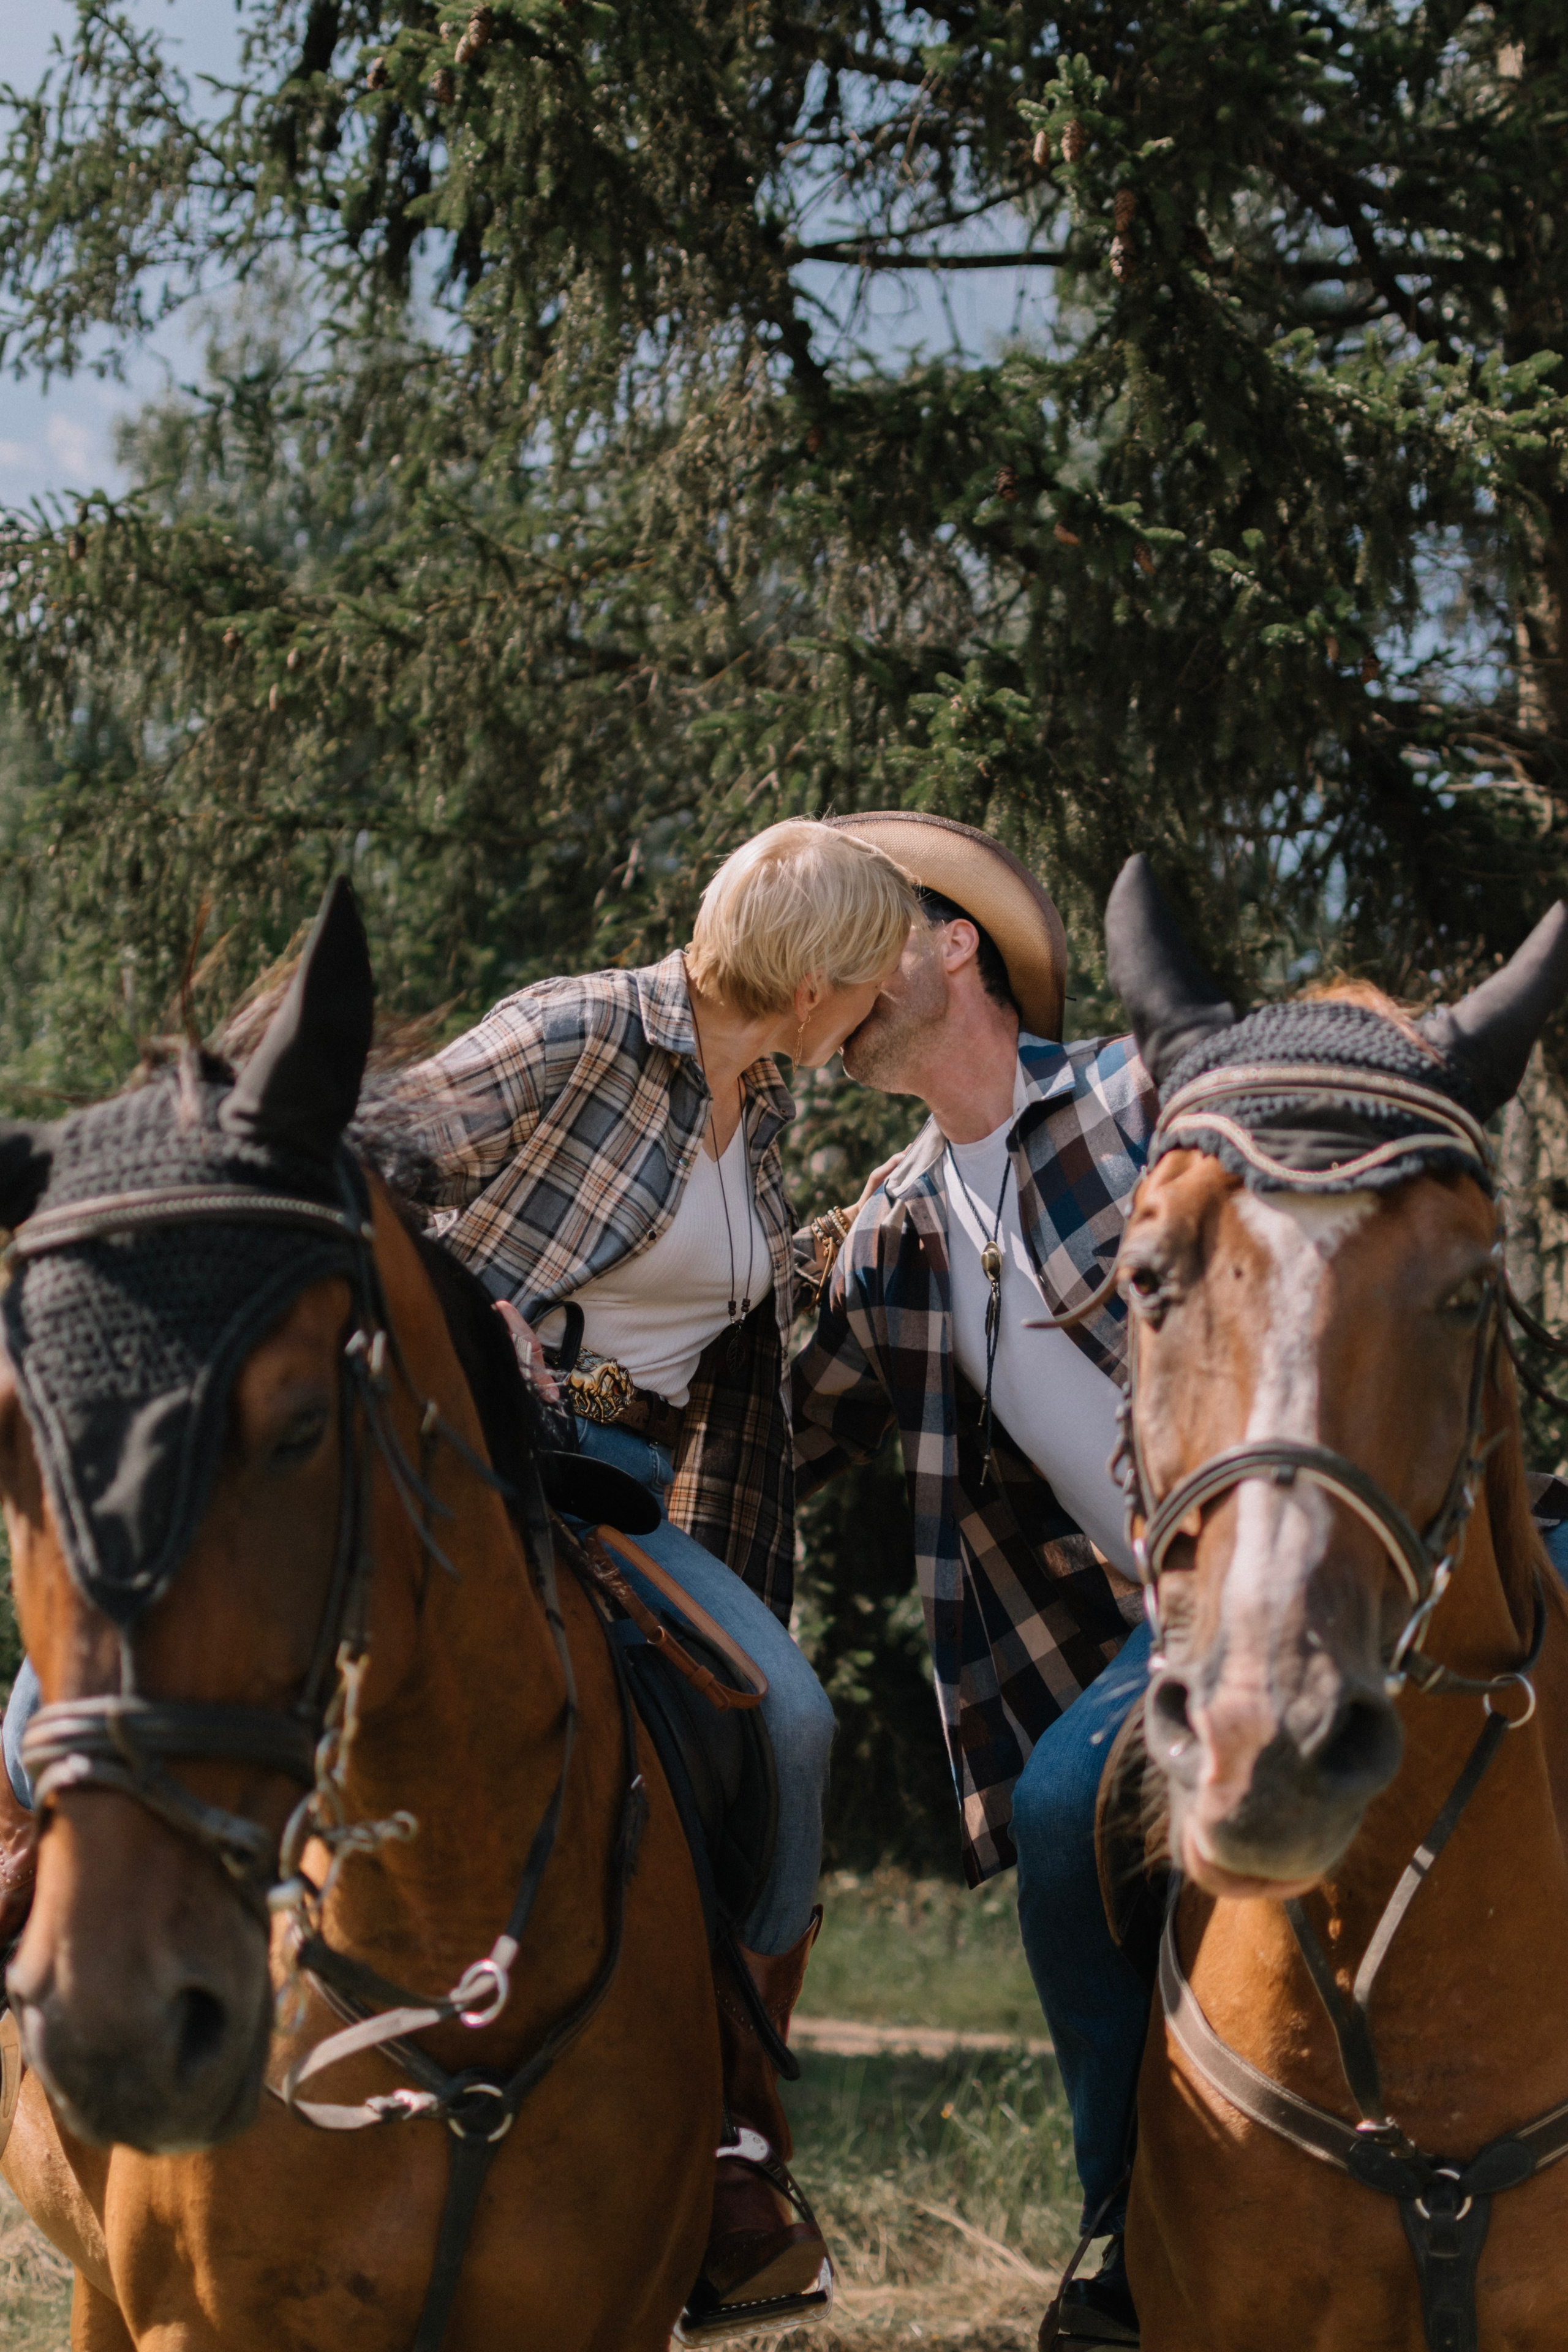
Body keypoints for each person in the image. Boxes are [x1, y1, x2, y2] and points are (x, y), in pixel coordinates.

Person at [404, 816, 920, 2337]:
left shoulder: (756, 1104)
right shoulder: (576, 1032)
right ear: (817, 972)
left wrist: (911, 1191)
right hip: (453, 1460)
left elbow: (733, 1280)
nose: (875, 1006)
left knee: (791, 1724)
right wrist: (461, 1305)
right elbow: (342, 1165)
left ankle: (730, 2129)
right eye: (870, 976)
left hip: (620, 1498)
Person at [792, 812, 1157, 2346]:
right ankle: (1130, 2237)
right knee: (1070, 1812)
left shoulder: (1146, 1098)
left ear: (959, 943)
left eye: (860, 940)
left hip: (1340, 1550)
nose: (830, 990)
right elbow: (768, 1410)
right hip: (1173, 1626)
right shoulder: (891, 1235)